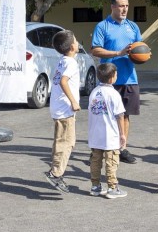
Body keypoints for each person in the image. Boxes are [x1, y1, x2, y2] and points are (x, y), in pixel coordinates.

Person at [91, 0, 141, 164]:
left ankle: (122, 149)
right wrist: (118, 53)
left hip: (129, 78)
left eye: (126, 5)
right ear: (112, 6)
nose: (124, 9)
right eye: (121, 5)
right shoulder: (102, 26)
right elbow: (95, 50)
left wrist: (142, 56)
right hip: (108, 80)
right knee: (105, 116)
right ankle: (100, 149)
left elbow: (139, 49)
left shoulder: (133, 27)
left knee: (125, 116)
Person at [45, 30, 81, 193]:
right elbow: (64, 81)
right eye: (76, 39)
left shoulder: (63, 61)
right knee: (66, 142)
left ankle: (56, 171)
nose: (78, 42)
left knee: (64, 141)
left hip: (59, 107)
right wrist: (73, 101)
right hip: (65, 108)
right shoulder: (71, 63)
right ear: (73, 46)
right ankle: (55, 173)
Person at [87, 63, 127, 199]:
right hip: (110, 135)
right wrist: (122, 134)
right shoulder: (114, 94)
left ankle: (95, 186)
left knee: (95, 161)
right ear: (112, 78)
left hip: (95, 135)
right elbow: (120, 115)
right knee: (111, 161)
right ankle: (112, 187)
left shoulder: (94, 92)